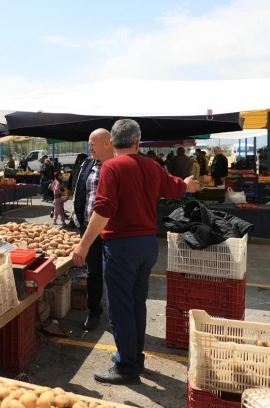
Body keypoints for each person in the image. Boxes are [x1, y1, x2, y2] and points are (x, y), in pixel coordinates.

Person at [72, 119, 199, 384]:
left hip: (121, 247)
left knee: (120, 308)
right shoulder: (151, 165)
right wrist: (187, 184)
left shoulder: (112, 167)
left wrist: (83, 245)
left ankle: (127, 366)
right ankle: (133, 357)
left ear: (113, 142)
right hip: (147, 245)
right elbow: (173, 186)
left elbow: (103, 209)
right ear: (138, 141)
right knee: (135, 304)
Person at [72, 129, 114, 331]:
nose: (89, 147)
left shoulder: (118, 165)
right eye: (89, 143)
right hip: (90, 229)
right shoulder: (87, 164)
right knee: (94, 272)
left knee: (114, 271)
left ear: (108, 143)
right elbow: (79, 189)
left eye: (93, 143)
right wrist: (78, 217)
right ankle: (94, 310)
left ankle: (117, 313)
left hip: (114, 230)